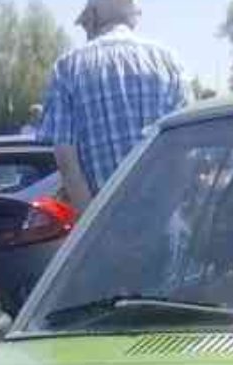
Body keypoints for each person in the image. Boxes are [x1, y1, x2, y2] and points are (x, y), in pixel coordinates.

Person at [37, 0, 190, 210]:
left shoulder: (67, 68)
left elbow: (66, 162)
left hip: (104, 228)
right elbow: (186, 149)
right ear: (133, 16)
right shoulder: (168, 61)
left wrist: (91, 225)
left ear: (92, 17)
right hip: (163, 221)